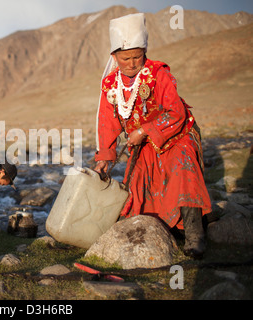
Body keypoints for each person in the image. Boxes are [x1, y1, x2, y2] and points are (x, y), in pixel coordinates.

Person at [94, 13, 212, 259]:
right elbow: (108, 123)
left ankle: (194, 236)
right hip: (144, 143)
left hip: (177, 135)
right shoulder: (110, 86)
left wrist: (145, 130)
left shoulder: (158, 73)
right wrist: (105, 156)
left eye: (137, 56)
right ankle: (165, 231)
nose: (132, 62)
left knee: (182, 171)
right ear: (114, 56)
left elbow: (176, 112)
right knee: (137, 189)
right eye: (125, 58)